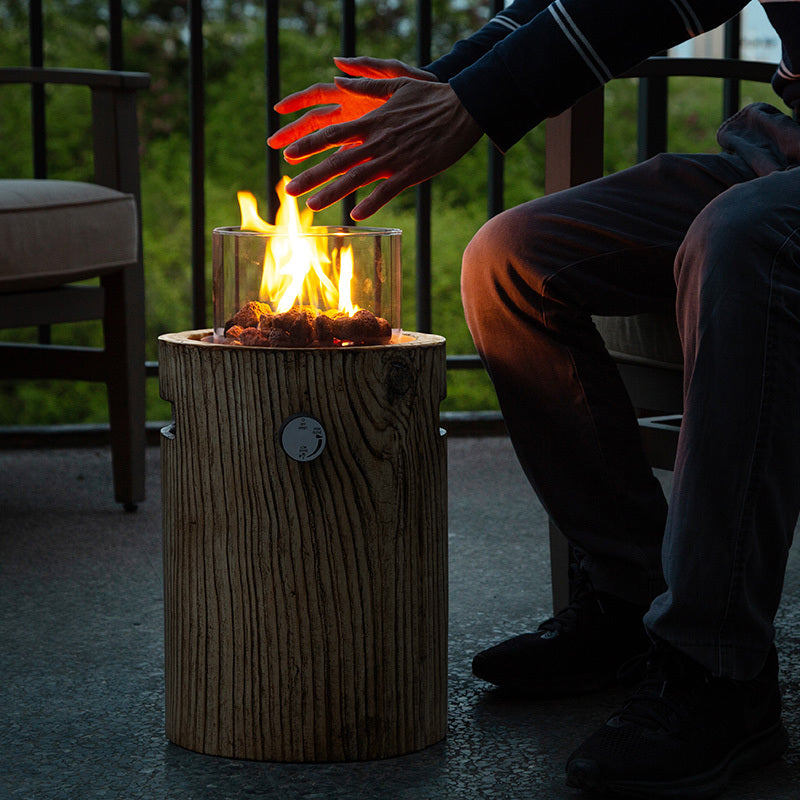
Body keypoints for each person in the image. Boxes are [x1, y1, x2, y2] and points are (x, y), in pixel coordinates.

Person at [268, 1, 800, 796]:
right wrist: (444, 86)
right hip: (783, 158)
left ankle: (718, 668)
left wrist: (479, 103)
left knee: (740, 239)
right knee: (511, 259)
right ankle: (630, 601)